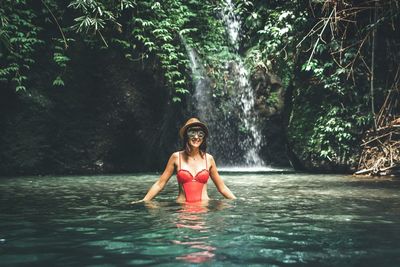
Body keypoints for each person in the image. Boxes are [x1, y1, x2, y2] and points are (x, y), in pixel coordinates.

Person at [131, 117, 236, 203]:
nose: (196, 137)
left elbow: (222, 188)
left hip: (204, 210)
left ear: (203, 137)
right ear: (186, 135)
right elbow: (160, 184)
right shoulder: (176, 157)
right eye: (192, 132)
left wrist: (236, 201)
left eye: (200, 133)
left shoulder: (209, 159)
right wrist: (144, 200)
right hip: (182, 209)